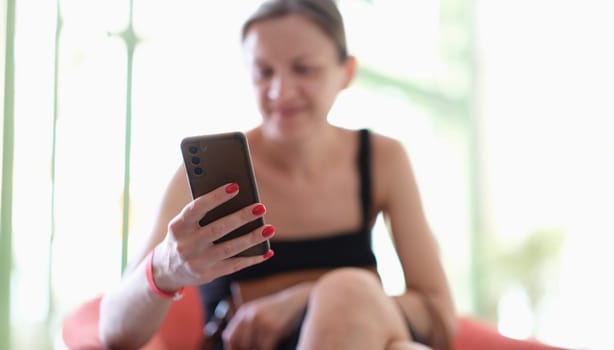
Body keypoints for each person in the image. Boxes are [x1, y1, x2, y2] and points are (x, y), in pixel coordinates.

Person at [99, 0, 457, 349]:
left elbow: (439, 317)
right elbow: (114, 332)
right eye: (264, 72)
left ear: (346, 72)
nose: (280, 91)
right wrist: (165, 267)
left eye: (304, 69)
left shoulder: (382, 159)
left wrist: (310, 297)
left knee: (358, 301)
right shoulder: (202, 177)